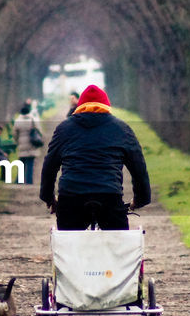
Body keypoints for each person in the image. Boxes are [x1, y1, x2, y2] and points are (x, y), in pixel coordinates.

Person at [39, 84, 151, 230]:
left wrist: (49, 198)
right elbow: (138, 167)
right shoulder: (122, 129)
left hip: (71, 196)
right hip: (109, 195)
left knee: (69, 246)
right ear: (107, 105)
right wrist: (140, 199)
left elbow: (49, 166)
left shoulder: (64, 129)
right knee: (118, 247)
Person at [12, 101, 44, 184]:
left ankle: (19, 181)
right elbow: (39, 130)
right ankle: (29, 181)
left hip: (22, 145)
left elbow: (14, 134)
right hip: (31, 145)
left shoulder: (17, 121)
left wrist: (18, 141)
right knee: (30, 164)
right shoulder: (32, 119)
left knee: (21, 163)